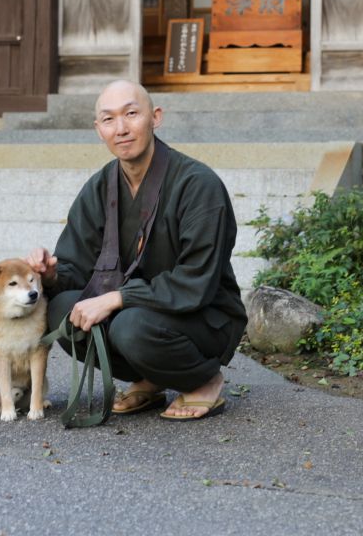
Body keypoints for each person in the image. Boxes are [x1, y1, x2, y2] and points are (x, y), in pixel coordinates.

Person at [25, 80, 247, 421]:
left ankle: (204, 380)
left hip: (204, 317)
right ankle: (151, 378)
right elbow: (76, 269)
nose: (122, 129)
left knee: (130, 326)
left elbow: (195, 282)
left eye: (131, 114)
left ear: (155, 117)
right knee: (64, 311)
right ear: (98, 130)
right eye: (109, 119)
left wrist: (117, 298)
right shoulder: (101, 186)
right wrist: (51, 273)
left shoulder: (197, 184)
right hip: (141, 316)